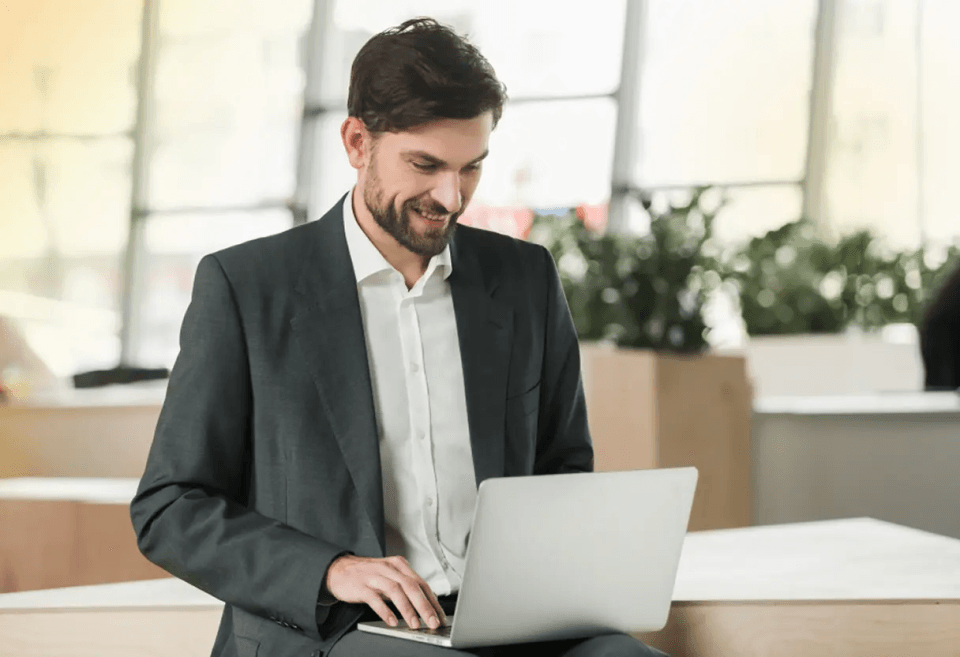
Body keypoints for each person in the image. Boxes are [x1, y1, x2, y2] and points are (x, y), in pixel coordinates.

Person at [130, 18, 666, 657]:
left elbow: (562, 466)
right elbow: (170, 507)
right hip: (335, 629)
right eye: (426, 164)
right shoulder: (247, 287)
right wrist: (331, 569)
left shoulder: (524, 280)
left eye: (471, 168)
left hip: (505, 620)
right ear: (357, 142)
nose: (451, 196)